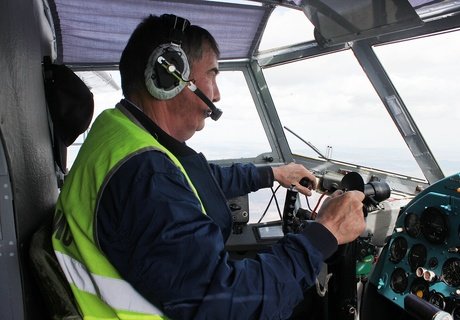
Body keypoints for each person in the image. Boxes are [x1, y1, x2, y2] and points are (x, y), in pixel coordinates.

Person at [52, 14, 366, 320]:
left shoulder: (120, 131)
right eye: (212, 74)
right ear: (168, 76)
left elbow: (195, 178)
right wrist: (324, 234)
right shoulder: (147, 176)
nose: (215, 94)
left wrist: (272, 174)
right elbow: (229, 305)